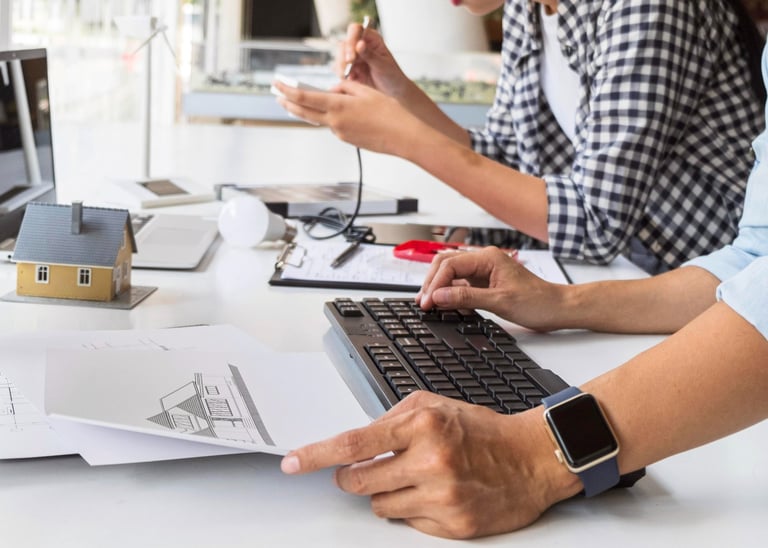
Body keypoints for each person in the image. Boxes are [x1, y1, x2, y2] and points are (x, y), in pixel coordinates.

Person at [277, 38, 768, 542]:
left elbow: (599, 220)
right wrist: (561, 302)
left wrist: (538, 453)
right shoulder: (534, 17)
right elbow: (753, 258)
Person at [273, 0, 765, 273]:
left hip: (700, 276)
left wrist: (406, 139)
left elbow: (596, 222)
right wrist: (398, 90)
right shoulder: (529, 10)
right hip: (624, 266)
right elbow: (507, 161)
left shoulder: (646, 7)